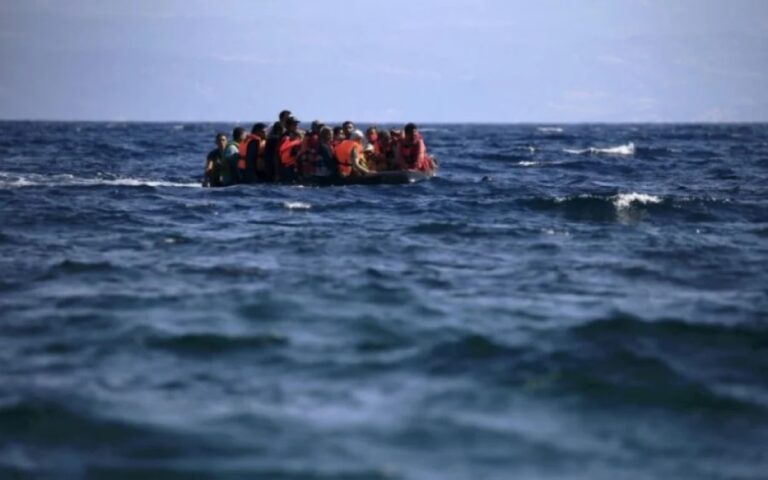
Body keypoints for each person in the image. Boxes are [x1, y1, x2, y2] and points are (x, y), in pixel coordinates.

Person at [278, 117, 303, 182]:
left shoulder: (297, 136)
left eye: (296, 125)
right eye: (294, 125)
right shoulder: (285, 137)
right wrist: (277, 171)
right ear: (288, 126)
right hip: (286, 167)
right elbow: (278, 153)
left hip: (294, 165)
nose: (296, 126)